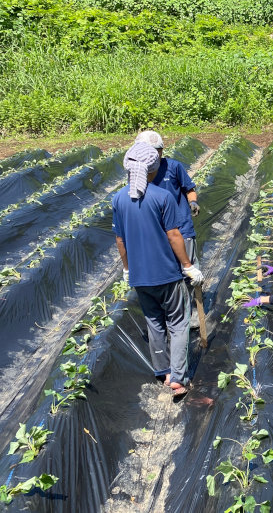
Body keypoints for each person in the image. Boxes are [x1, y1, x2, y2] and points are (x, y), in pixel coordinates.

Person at [113, 142, 204, 397]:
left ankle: (162, 371)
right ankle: (178, 378)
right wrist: (188, 266)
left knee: (154, 322)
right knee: (178, 323)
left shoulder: (119, 199)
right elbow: (174, 235)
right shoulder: (162, 197)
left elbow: (120, 240)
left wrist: (127, 269)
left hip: (140, 277)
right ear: (153, 170)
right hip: (167, 274)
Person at [135, 130, 203, 329]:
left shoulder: (173, 167)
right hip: (157, 233)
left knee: (189, 272)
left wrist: (193, 202)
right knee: (167, 275)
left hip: (181, 228)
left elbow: (189, 188)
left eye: (158, 151)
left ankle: (193, 314)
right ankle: (173, 313)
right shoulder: (138, 173)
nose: (156, 155)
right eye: (151, 151)